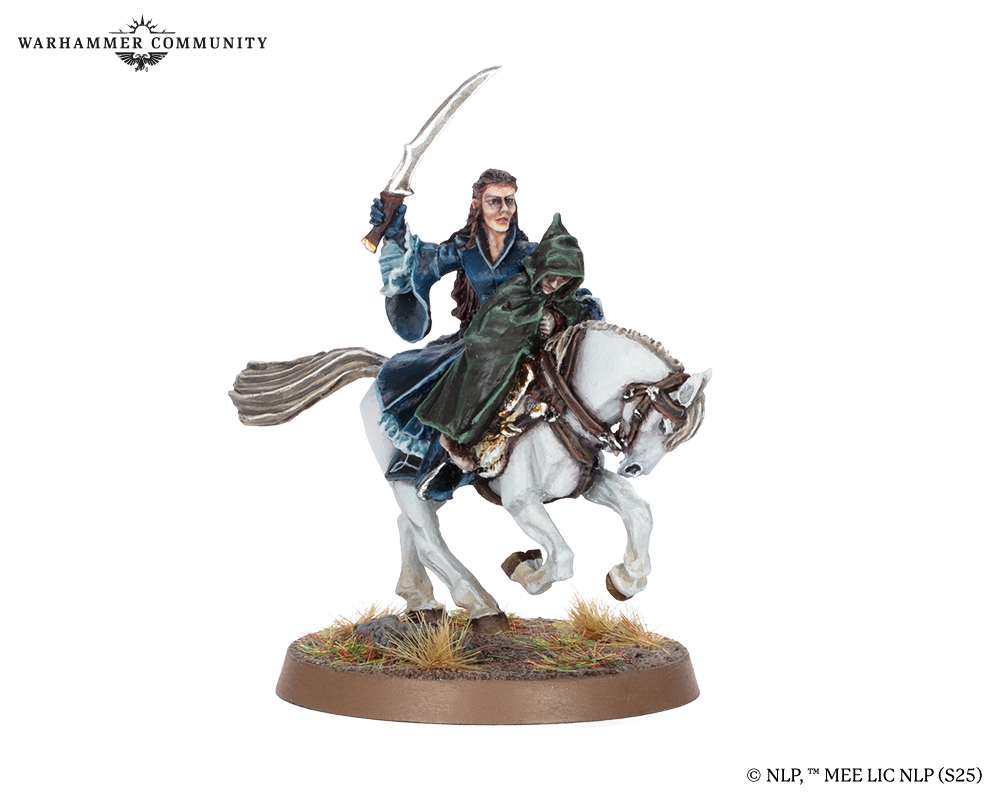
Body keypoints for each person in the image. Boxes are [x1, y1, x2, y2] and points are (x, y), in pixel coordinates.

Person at [369, 169, 603, 500]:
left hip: (524, 339)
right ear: (477, 204)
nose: (504, 209)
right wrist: (394, 230)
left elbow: (570, 292)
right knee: (457, 384)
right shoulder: (464, 250)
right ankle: (442, 460)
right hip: (477, 340)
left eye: (510, 201)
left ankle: (582, 441)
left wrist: (554, 317)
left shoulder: (530, 252)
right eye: (494, 201)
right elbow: (422, 262)